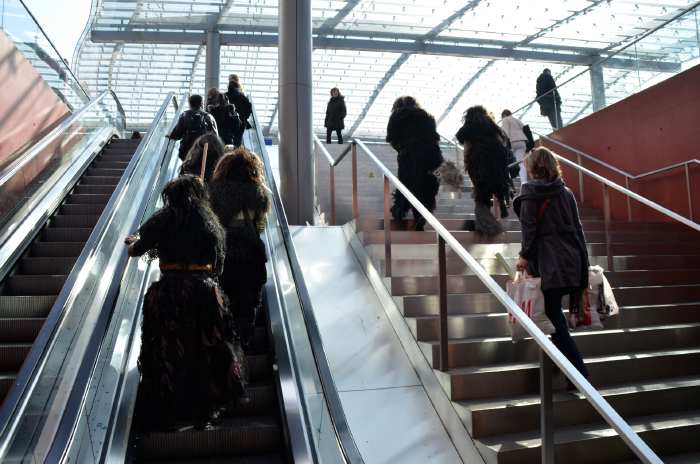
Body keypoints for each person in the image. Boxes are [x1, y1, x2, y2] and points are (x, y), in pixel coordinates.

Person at [124, 175, 247, 430]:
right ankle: (204, 411)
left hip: (169, 294)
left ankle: (168, 412)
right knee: (207, 353)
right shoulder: (210, 221)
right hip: (205, 294)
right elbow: (219, 265)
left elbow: (137, 249)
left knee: (165, 353)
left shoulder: (165, 217)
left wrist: (132, 243)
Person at [513, 147, 589, 386]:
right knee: (554, 317)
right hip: (572, 260)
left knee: (554, 319)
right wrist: (584, 266)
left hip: (549, 264)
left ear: (532, 168)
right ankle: (568, 372)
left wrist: (523, 257)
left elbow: (530, 232)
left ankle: (578, 373)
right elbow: (578, 229)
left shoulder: (530, 193)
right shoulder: (566, 193)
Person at [208, 148, 270, 348]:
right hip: (251, 257)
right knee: (247, 305)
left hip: (223, 256)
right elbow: (260, 226)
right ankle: (243, 345)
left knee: (223, 304)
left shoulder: (213, 192)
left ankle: (225, 350)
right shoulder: (259, 193)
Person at [386, 96, 444, 231]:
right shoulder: (427, 116)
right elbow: (435, 137)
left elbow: (391, 138)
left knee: (408, 185)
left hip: (410, 155)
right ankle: (423, 214)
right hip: (433, 155)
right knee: (428, 186)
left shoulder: (396, 116)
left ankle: (401, 211)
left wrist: (401, 149)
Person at [456, 105, 511, 235]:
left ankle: (489, 226)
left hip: (479, 162)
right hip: (497, 160)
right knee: (497, 186)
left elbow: (459, 137)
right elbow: (504, 139)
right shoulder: (491, 125)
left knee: (481, 195)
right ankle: (502, 203)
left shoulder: (470, 125)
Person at [168, 94, 218, 160]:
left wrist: (170, 136)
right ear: (201, 103)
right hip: (204, 152)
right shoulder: (209, 116)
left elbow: (177, 134)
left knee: (187, 167)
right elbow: (215, 136)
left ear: (190, 104)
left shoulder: (184, 115)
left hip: (187, 152)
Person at [500, 109, 529, 182]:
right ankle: (524, 182)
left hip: (512, 142)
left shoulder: (505, 119)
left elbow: (505, 132)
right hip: (522, 142)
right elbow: (524, 129)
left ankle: (510, 179)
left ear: (503, 115)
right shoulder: (517, 120)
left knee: (508, 161)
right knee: (520, 162)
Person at [225, 74, 253, 146]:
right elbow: (249, 109)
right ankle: (236, 154)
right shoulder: (243, 97)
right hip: (240, 123)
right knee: (237, 142)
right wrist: (244, 118)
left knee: (227, 142)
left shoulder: (225, 96)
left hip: (228, 123)